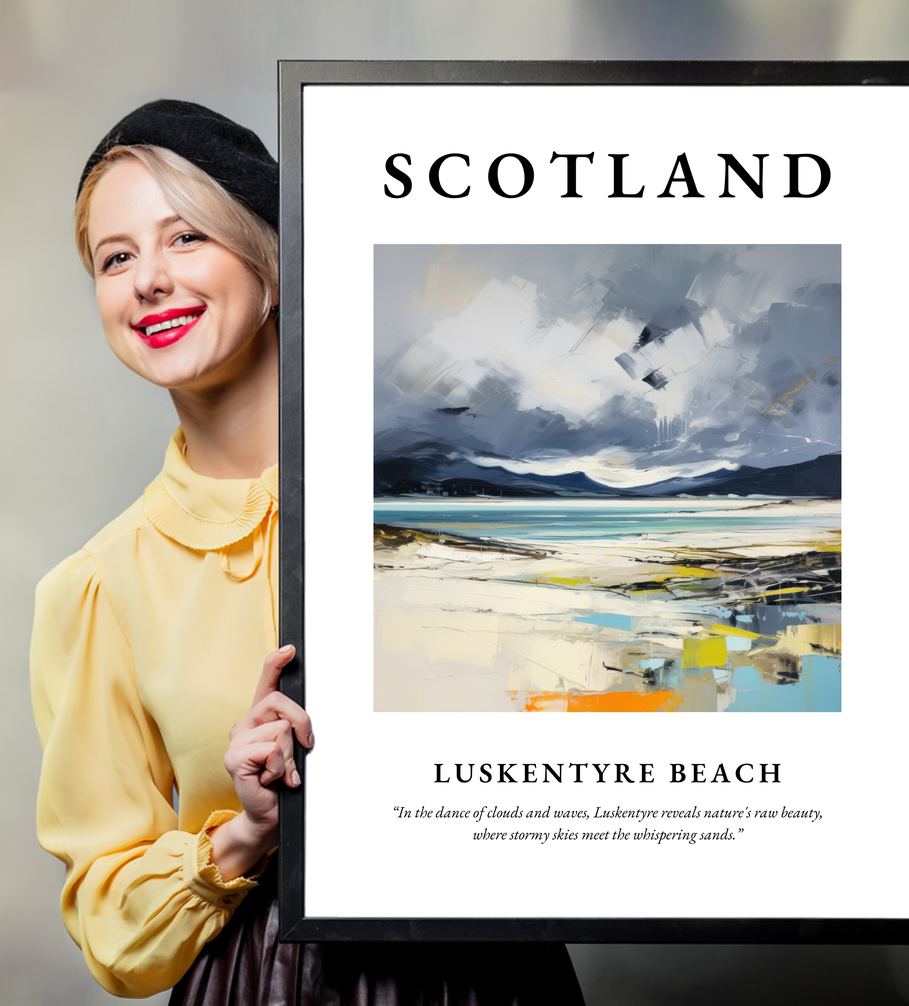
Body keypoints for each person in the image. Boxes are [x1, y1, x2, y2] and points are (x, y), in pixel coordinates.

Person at [30, 100, 585, 1004]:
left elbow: (624, 699)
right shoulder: (97, 587)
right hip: (262, 982)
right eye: (116, 257)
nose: (148, 281)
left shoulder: (449, 498)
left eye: (186, 239)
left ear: (274, 264)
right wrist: (245, 832)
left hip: (492, 973)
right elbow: (110, 924)